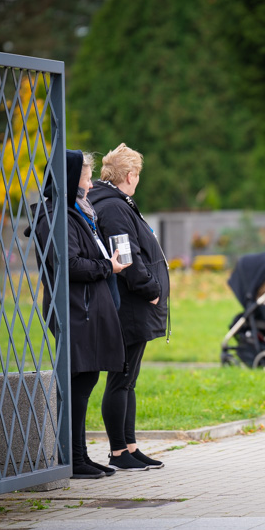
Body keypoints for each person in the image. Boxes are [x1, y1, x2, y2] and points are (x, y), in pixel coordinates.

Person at [26, 149, 129, 479]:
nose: (89, 182)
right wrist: (106, 266)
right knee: (77, 382)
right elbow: (68, 264)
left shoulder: (75, 212)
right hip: (74, 309)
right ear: (70, 178)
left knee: (85, 380)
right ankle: (71, 458)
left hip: (86, 308)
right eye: (85, 176)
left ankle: (78, 456)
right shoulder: (54, 215)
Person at [90, 143, 170, 471]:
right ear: (130, 175)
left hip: (134, 304)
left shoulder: (115, 203)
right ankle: (119, 452)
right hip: (130, 306)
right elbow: (126, 256)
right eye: (137, 174)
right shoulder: (113, 208)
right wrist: (150, 289)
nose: (138, 180)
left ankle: (130, 446)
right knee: (120, 378)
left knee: (128, 378)